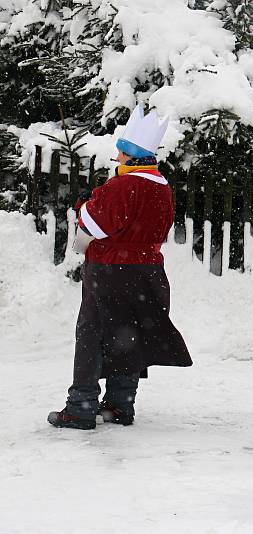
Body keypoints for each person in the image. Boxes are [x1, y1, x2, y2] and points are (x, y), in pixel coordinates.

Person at [48, 105, 192, 429]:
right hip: (148, 271)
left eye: (120, 153)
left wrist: (85, 205)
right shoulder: (162, 188)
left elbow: (94, 224)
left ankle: (81, 406)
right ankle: (119, 404)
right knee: (128, 335)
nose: (117, 158)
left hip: (111, 271)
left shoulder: (124, 186)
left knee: (92, 333)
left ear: (129, 156)